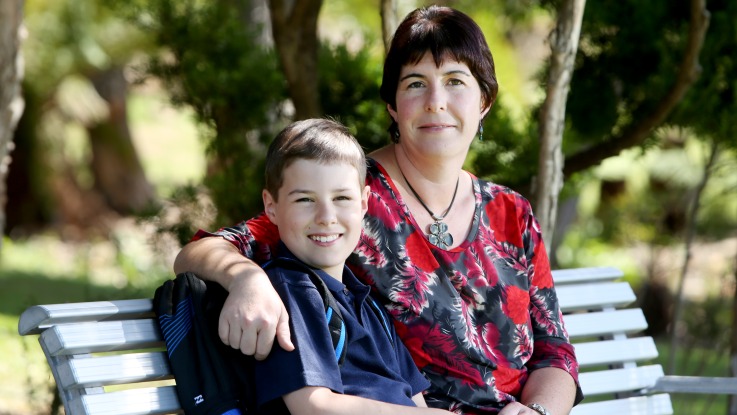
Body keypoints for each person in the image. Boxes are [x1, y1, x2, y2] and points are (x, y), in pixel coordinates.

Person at [175, 5, 583, 415]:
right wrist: (247, 279)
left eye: (456, 81)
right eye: (415, 84)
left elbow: (555, 351)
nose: (436, 102)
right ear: (392, 105)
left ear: (484, 101)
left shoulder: (512, 213)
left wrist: (538, 413)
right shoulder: (348, 193)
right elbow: (201, 252)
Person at [246, 117, 450, 414]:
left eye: (341, 197)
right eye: (305, 200)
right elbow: (312, 406)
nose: (326, 216)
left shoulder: (367, 302)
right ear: (271, 206)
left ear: (364, 203)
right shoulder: (290, 290)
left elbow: (414, 399)